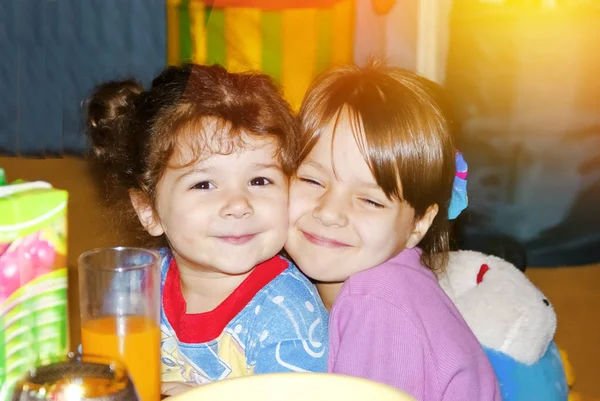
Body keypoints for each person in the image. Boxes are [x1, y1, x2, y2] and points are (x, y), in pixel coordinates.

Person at [86, 63, 329, 396]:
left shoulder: (285, 315)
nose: (238, 204)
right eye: (203, 184)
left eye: (259, 180)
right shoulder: (133, 286)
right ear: (148, 209)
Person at [284, 61, 501, 400]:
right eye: (312, 180)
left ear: (419, 224)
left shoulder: (376, 300)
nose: (328, 213)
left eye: (370, 201)